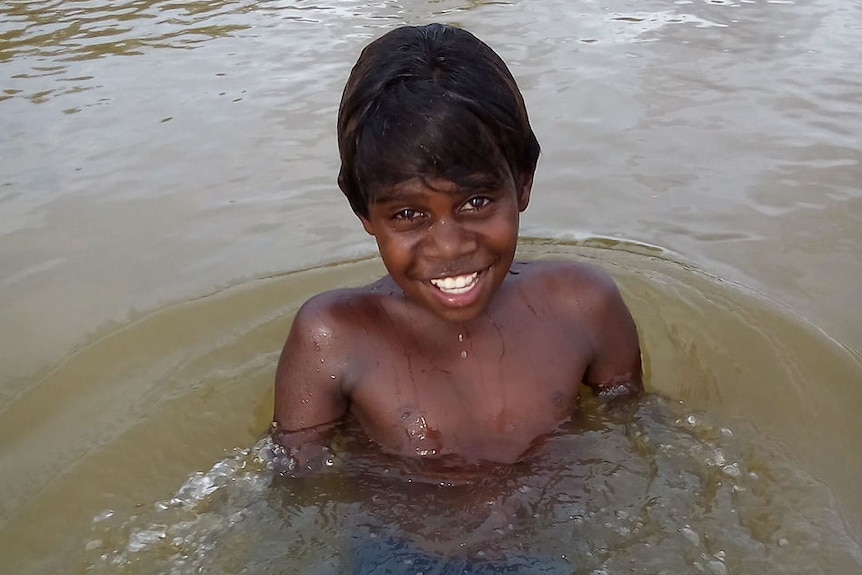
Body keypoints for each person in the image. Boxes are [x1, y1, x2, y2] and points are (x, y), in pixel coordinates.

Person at [273, 22, 642, 474]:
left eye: (476, 202)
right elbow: (293, 486)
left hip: (561, 534)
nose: (449, 246)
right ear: (363, 212)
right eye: (409, 214)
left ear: (523, 183)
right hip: (396, 544)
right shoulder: (332, 338)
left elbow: (634, 439)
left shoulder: (585, 307)